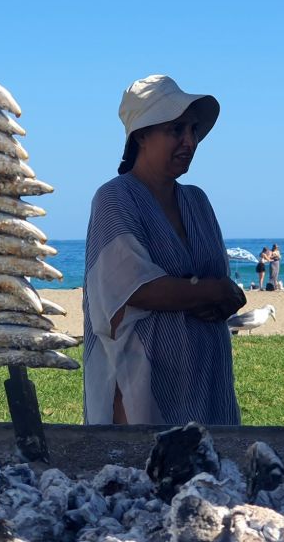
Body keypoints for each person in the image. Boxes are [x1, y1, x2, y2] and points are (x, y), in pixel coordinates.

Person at [83, 75, 245, 427]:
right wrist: (210, 291)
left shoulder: (198, 201)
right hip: (140, 387)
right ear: (141, 135)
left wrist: (221, 295)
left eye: (192, 130)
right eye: (175, 130)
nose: (190, 140)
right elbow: (133, 288)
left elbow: (220, 285)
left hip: (206, 378)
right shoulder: (115, 197)